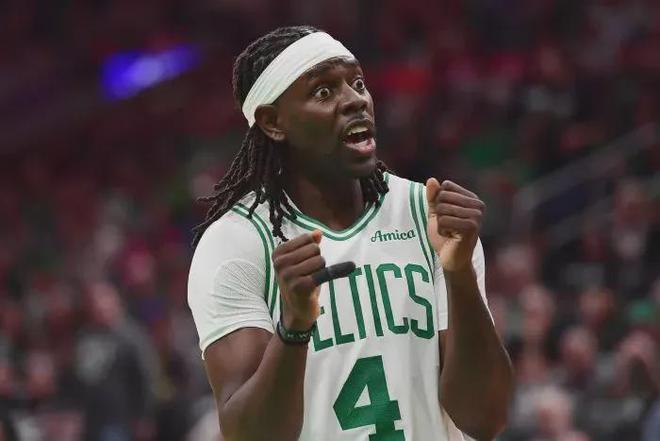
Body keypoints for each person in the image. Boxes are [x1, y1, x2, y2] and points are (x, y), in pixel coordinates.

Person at [187, 25, 513, 441]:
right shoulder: (237, 243)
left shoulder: (429, 216)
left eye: (357, 83)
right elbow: (249, 435)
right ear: (273, 122)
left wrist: (460, 273)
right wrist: (294, 327)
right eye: (324, 92)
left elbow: (485, 419)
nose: (356, 100)